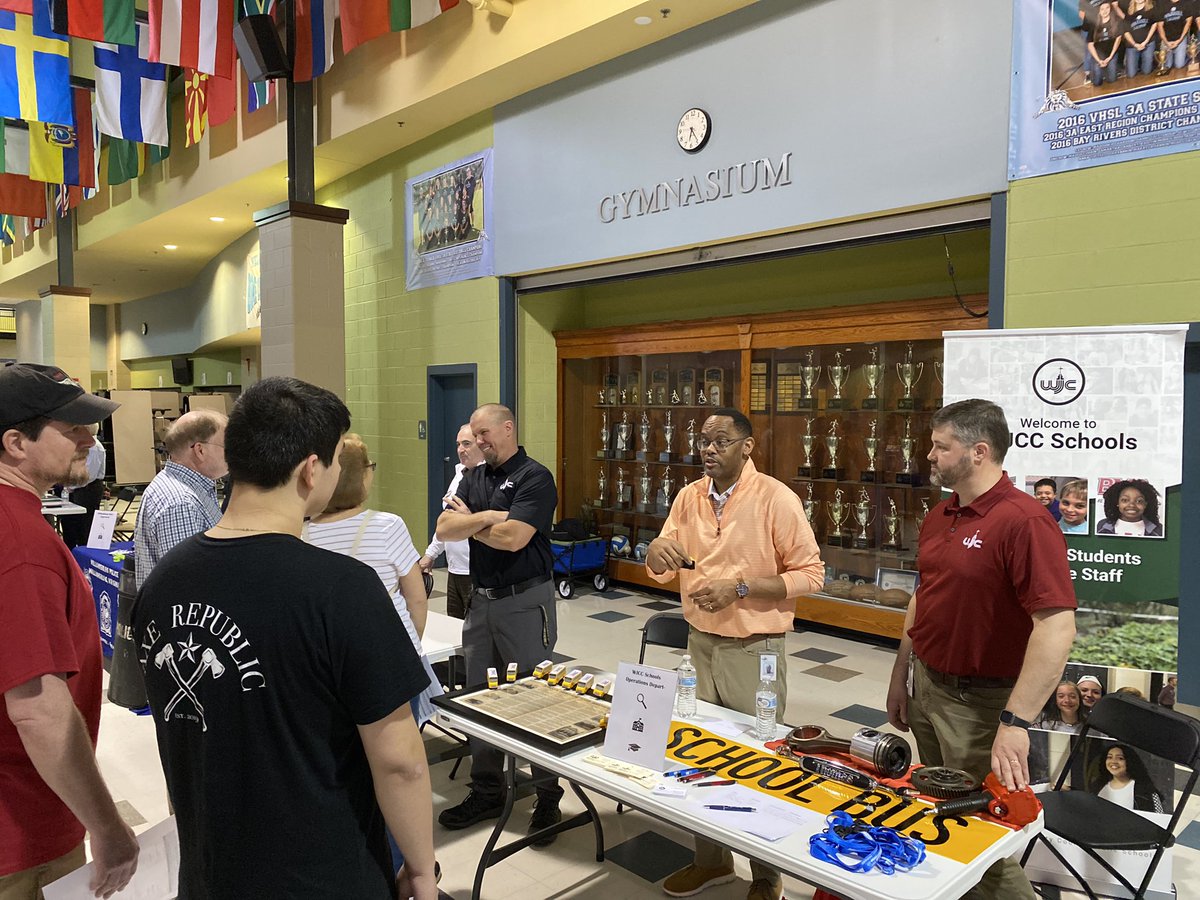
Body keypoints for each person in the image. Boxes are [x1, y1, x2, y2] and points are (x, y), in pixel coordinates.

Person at [132, 377, 436, 900]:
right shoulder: (342, 589)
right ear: (311, 469)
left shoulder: (163, 581)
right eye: (338, 458)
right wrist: (422, 868)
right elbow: (400, 761)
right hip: (320, 874)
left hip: (209, 868)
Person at [886, 399, 1077, 900]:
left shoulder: (1024, 521)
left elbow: (1056, 627)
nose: (928, 455)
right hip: (928, 685)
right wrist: (901, 676)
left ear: (979, 451)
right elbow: (923, 596)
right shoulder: (940, 514)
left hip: (981, 704)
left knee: (980, 832)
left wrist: (1016, 723)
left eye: (940, 446)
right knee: (934, 806)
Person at [645, 408, 823, 900]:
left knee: (758, 761)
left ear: (747, 447)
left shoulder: (775, 498)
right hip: (698, 643)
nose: (708, 448)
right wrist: (655, 551)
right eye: (704, 439)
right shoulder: (688, 496)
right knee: (698, 753)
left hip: (755, 647)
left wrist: (740, 588)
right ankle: (711, 860)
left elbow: (811, 574)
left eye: (721, 440)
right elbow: (665, 557)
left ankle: (767, 877)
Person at [0, 363, 138, 900]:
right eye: (71, 427)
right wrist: (108, 828)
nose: (90, 438)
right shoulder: (20, 543)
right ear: (16, 442)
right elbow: (37, 708)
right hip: (23, 832)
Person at [435, 403, 564, 844]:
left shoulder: (534, 477)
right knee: (478, 698)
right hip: (481, 602)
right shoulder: (474, 477)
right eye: (474, 434)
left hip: (524, 602)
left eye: (485, 433)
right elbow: (443, 528)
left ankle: (548, 794)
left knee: (536, 697)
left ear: (508, 429)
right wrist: (489, 518)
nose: (479, 441)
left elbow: (514, 539)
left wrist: (473, 523)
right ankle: (487, 788)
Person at [304, 433, 442, 725]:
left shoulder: (303, 533)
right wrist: (411, 646)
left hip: (332, 662)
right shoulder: (386, 526)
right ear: (360, 476)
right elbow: (416, 597)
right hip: (392, 658)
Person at [133, 410, 228, 590]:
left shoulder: (184, 487)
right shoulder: (181, 504)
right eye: (227, 446)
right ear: (200, 450)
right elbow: (188, 585)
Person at [420, 424, 484, 620]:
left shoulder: (488, 480)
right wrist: (431, 553)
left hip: (476, 571)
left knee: (475, 633)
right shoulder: (459, 475)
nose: (460, 450)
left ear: (481, 445)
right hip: (454, 568)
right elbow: (447, 525)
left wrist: (468, 519)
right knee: (454, 626)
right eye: (458, 444)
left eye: (466, 444)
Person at [58, 425, 106, 549]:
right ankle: (72, 548)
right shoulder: (86, 446)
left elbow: (88, 475)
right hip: (78, 487)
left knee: (84, 525)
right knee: (72, 523)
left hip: (88, 489)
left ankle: (84, 550)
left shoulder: (94, 447)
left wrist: (70, 486)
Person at [1093, 744, 1165, 812]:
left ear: (1130, 761)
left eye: (1120, 758)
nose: (1113, 761)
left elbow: (1159, 818)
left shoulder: (1146, 792)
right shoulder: (1097, 786)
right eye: (1109, 757)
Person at [1096, 478, 1162, 536]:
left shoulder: (1158, 530)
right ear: (1117, 502)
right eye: (1125, 500)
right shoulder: (1102, 526)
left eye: (1139, 501)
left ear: (1145, 504)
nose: (1132, 505)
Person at [1088, 2, 1123, 84]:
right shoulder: (1094, 24)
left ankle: (1108, 69)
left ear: (1110, 9)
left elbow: (1118, 39)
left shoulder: (1116, 21)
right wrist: (1099, 60)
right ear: (1099, 11)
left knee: (1112, 79)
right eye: (1102, 9)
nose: (1105, 11)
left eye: (1107, 8)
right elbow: (1090, 45)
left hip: (1111, 53)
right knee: (1097, 82)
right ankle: (1096, 70)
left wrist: (1110, 57)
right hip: (1098, 54)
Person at [1124, 0, 1159, 78]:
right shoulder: (1129, 13)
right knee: (1131, 74)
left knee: (1147, 71)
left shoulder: (1151, 10)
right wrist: (1134, 44)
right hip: (1132, 46)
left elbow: (1154, 25)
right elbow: (1126, 32)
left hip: (1148, 44)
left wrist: (1145, 42)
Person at [1158, 0, 1192, 70]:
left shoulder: (1186, 3)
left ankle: (1187, 55)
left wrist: (1180, 40)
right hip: (1166, 39)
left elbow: (1188, 22)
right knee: (1167, 66)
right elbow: (1159, 26)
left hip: (1181, 38)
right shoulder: (1161, 5)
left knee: (1179, 65)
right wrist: (1166, 42)